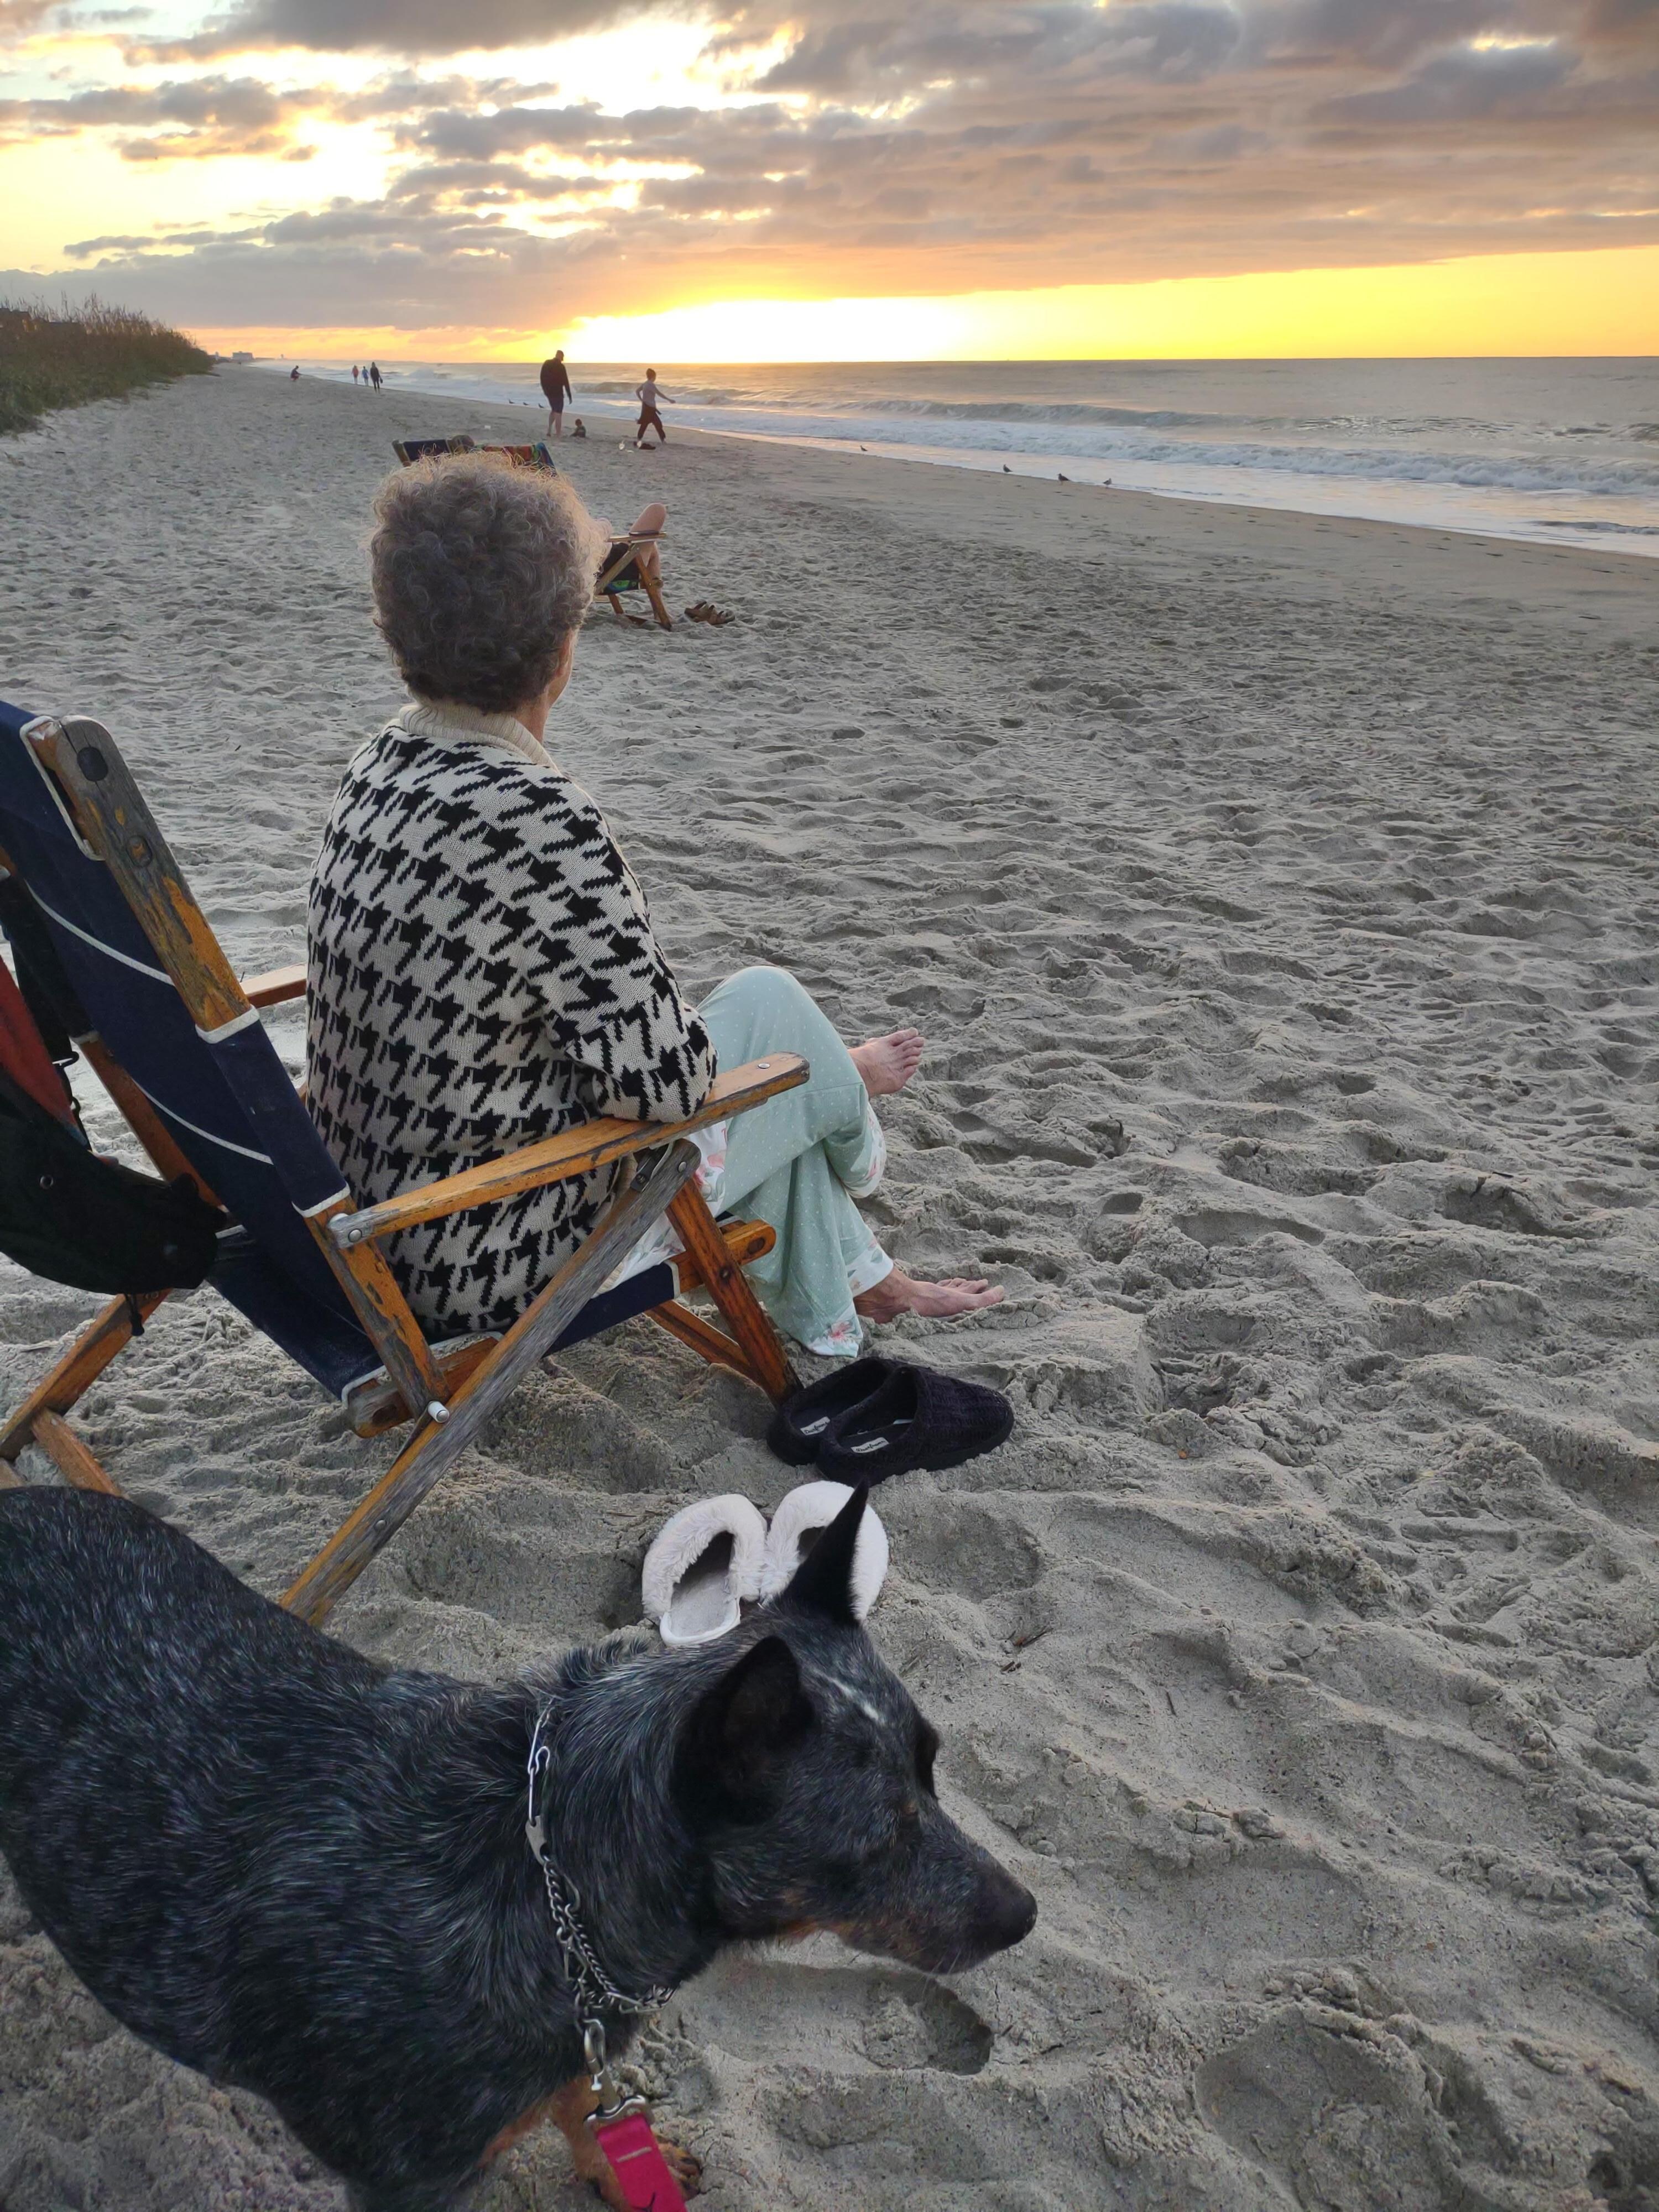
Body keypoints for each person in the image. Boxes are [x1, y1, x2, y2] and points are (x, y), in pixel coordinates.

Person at [307, 456, 1001, 1354]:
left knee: (759, 1019)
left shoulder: (379, 766)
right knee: (772, 1038)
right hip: (485, 1256)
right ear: (565, 641)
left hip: (379, 1217)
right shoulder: (537, 818)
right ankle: (851, 1117)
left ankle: (863, 1284)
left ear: (394, 624)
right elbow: (666, 1089)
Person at [539, 348, 572, 437]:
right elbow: (566, 382)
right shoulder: (561, 367)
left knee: (554, 410)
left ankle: (549, 430)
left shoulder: (547, 363)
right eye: (562, 357)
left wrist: (545, 390)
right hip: (558, 393)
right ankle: (558, 433)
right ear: (560, 356)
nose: (563, 359)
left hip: (550, 393)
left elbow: (542, 378)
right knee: (558, 413)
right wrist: (569, 395)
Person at [634, 369, 671, 447]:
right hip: (650, 409)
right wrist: (669, 400)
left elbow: (637, 391)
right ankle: (663, 440)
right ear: (653, 376)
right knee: (658, 424)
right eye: (655, 376)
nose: (655, 378)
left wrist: (642, 400)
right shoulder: (651, 385)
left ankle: (639, 439)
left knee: (645, 424)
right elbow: (659, 393)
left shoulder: (645, 384)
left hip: (646, 407)